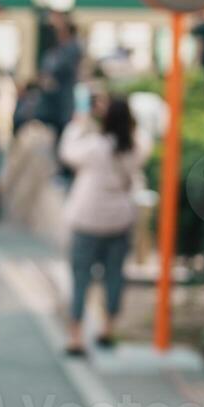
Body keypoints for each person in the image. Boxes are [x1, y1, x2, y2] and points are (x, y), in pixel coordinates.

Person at [59, 96, 150, 355]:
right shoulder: (136, 148)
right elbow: (144, 137)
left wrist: (81, 120)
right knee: (114, 277)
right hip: (120, 221)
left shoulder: (94, 147)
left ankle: (76, 337)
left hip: (87, 220)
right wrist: (125, 118)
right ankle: (107, 329)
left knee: (80, 278)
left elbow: (67, 150)